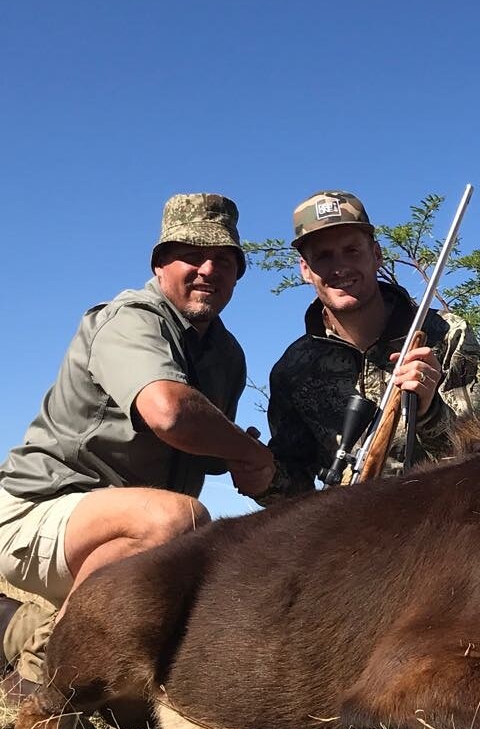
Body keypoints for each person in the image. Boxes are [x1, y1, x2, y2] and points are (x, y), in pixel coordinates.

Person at [0, 193, 275, 698]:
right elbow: (169, 413)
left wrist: (246, 461)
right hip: (37, 510)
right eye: (191, 254)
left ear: (238, 274)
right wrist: (250, 453)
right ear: (159, 263)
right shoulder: (131, 317)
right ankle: (48, 678)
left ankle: (14, 627)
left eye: (224, 260)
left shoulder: (227, 353)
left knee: (142, 696)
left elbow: (209, 449)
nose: (208, 269)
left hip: (123, 538)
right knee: (178, 520)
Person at [256, 190, 480, 501]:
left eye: (352, 250)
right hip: (349, 529)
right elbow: (294, 486)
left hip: (441, 519)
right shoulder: (292, 368)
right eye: (323, 256)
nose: (339, 267)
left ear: (377, 255)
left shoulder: (447, 333)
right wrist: (260, 474)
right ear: (305, 270)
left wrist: (429, 411)